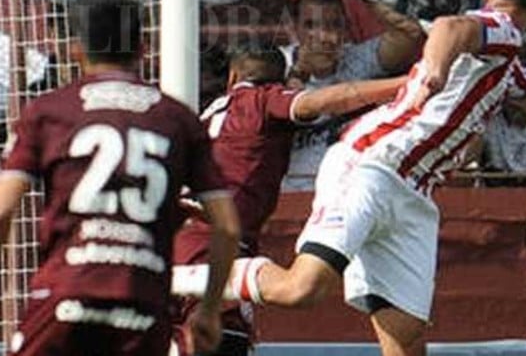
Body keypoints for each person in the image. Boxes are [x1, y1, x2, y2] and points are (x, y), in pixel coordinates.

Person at [173, 0, 526, 356]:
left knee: (406, 341)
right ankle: (181, 278)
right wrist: (432, 70)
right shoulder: (500, 28)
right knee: (302, 288)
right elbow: (451, 28)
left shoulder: (507, 67)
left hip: (412, 193)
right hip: (370, 166)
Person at [0, 0, 240, 356]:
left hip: (67, 292)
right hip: (142, 301)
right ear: (143, 48)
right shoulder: (178, 119)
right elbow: (228, 226)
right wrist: (209, 309)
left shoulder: (49, 111)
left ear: (76, 50)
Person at [171, 41, 407, 355]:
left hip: (177, 234)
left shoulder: (210, 113)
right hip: (215, 242)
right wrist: (406, 84)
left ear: (232, 77)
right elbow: (321, 101)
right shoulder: (260, 100)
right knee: (225, 337)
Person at [279, 0, 426, 190]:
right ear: (295, 28)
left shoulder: (357, 59)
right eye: (311, 25)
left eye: (333, 25)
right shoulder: (279, 64)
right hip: (289, 188)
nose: (322, 35)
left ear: (344, 29)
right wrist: (298, 72)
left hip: (347, 188)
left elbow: (410, 35)